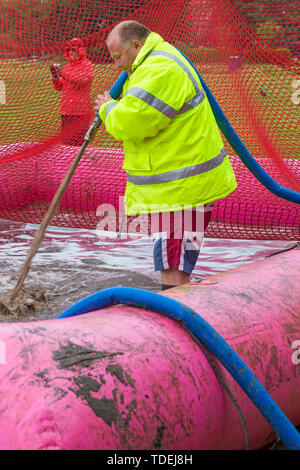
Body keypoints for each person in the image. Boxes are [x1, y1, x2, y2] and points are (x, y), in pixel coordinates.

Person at [94, 21, 237, 290]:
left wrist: (108, 108)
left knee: (174, 267)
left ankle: (175, 320)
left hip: (183, 191)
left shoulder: (161, 69)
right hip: (180, 190)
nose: (115, 65)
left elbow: (133, 122)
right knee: (175, 260)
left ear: (135, 45)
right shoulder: (154, 61)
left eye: (117, 57)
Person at [50, 38, 94, 146]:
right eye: (69, 50)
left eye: (73, 50)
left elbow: (80, 81)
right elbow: (61, 86)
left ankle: (79, 164)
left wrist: (62, 73)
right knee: (66, 144)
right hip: (66, 111)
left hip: (81, 112)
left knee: (78, 144)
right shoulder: (68, 66)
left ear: (80, 50)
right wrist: (55, 77)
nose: (71, 53)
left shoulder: (87, 65)